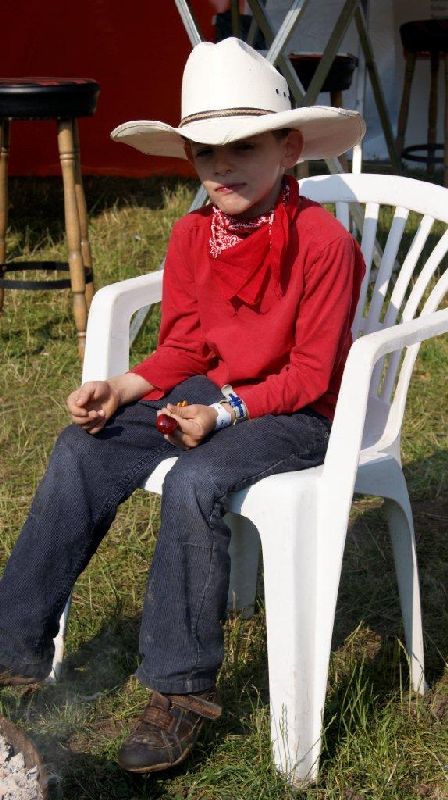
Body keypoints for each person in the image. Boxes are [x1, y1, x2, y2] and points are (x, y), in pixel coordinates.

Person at [0, 38, 366, 773]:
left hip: (302, 412)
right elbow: (186, 347)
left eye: (244, 147)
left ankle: (179, 692)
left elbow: (309, 373)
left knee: (197, 482)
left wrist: (224, 414)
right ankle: (12, 653)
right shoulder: (193, 234)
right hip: (219, 392)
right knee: (83, 447)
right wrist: (123, 387)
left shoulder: (325, 244)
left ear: (289, 148)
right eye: (205, 153)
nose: (222, 167)